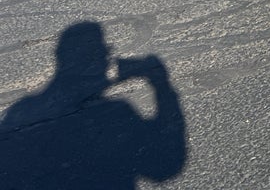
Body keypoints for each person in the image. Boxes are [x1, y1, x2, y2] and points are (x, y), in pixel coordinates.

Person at [0, 21, 186, 189]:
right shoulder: (118, 110)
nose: (107, 56)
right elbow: (165, 168)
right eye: (103, 50)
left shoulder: (21, 110)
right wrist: (160, 83)